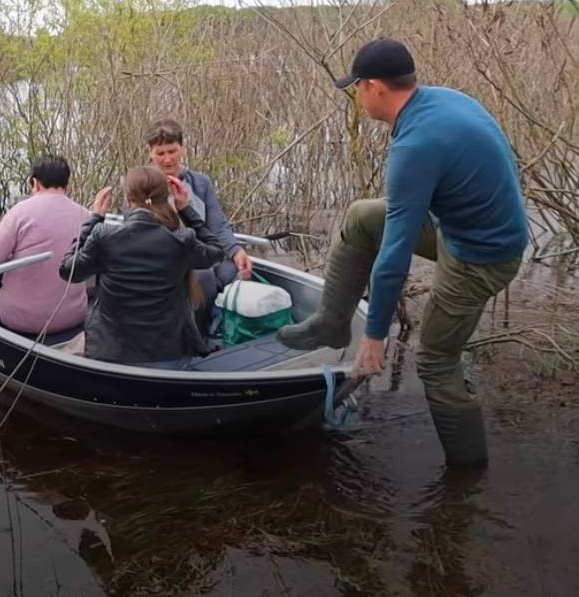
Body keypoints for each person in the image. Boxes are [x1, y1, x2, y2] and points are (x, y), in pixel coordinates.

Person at [277, 38, 528, 467]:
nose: (356, 97)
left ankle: (468, 475)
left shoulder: (414, 146)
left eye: (356, 87)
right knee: (361, 217)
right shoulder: (441, 100)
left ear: (375, 87)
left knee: (435, 360)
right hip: (461, 229)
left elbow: (394, 257)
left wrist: (375, 338)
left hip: (482, 255)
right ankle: (330, 325)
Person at [59, 166, 224, 367]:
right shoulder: (182, 240)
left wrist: (94, 219)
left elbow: (68, 270)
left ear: (128, 200)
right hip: (169, 354)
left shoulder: (105, 236)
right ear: (167, 197)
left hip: (113, 354)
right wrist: (186, 210)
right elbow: (216, 252)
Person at [0, 155, 90, 337]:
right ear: (66, 184)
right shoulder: (86, 215)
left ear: (35, 183)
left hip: (22, 320)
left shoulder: (20, 213)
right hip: (74, 315)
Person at [146, 119, 253, 315]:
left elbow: (217, 225)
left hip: (199, 248)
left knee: (231, 270)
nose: (167, 159)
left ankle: (215, 323)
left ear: (182, 148)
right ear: (150, 152)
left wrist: (236, 251)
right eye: (160, 154)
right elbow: (134, 228)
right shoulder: (142, 183)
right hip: (162, 255)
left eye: (172, 151)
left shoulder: (201, 183)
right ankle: (198, 334)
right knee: (203, 278)